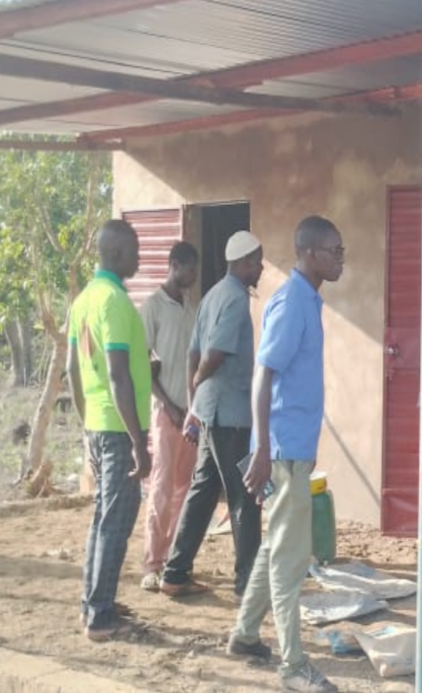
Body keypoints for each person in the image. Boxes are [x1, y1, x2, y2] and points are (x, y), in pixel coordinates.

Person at [233, 216, 343, 693]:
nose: (341, 259)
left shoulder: (307, 300)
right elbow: (263, 375)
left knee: (276, 546)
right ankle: (293, 665)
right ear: (310, 253)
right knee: (291, 560)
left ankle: (244, 634)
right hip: (281, 452)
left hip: (291, 449)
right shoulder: (292, 302)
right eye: (335, 251)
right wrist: (263, 449)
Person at [162, 232, 264, 598]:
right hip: (230, 414)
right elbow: (212, 355)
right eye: (258, 262)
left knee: (204, 490)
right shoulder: (235, 298)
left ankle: (175, 572)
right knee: (245, 495)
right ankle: (248, 584)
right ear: (245, 263)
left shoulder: (211, 296)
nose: (261, 268)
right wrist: (199, 380)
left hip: (210, 412)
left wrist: (194, 403)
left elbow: (192, 353)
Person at [66, 220, 153, 642]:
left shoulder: (83, 300)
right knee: (115, 521)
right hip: (119, 429)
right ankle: (100, 617)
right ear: (117, 253)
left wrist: (88, 424)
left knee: (104, 517)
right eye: (135, 251)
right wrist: (138, 441)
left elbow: (72, 371)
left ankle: (94, 602)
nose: (139, 258)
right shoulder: (114, 302)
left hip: (99, 424)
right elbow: (119, 376)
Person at [138, 242, 200, 593]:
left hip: (190, 416)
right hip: (166, 413)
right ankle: (152, 563)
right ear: (174, 265)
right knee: (161, 487)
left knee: (184, 488)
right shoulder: (154, 307)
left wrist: (191, 410)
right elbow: (143, 364)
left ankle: (175, 562)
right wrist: (169, 405)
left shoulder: (192, 311)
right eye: (189, 269)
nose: (193, 276)